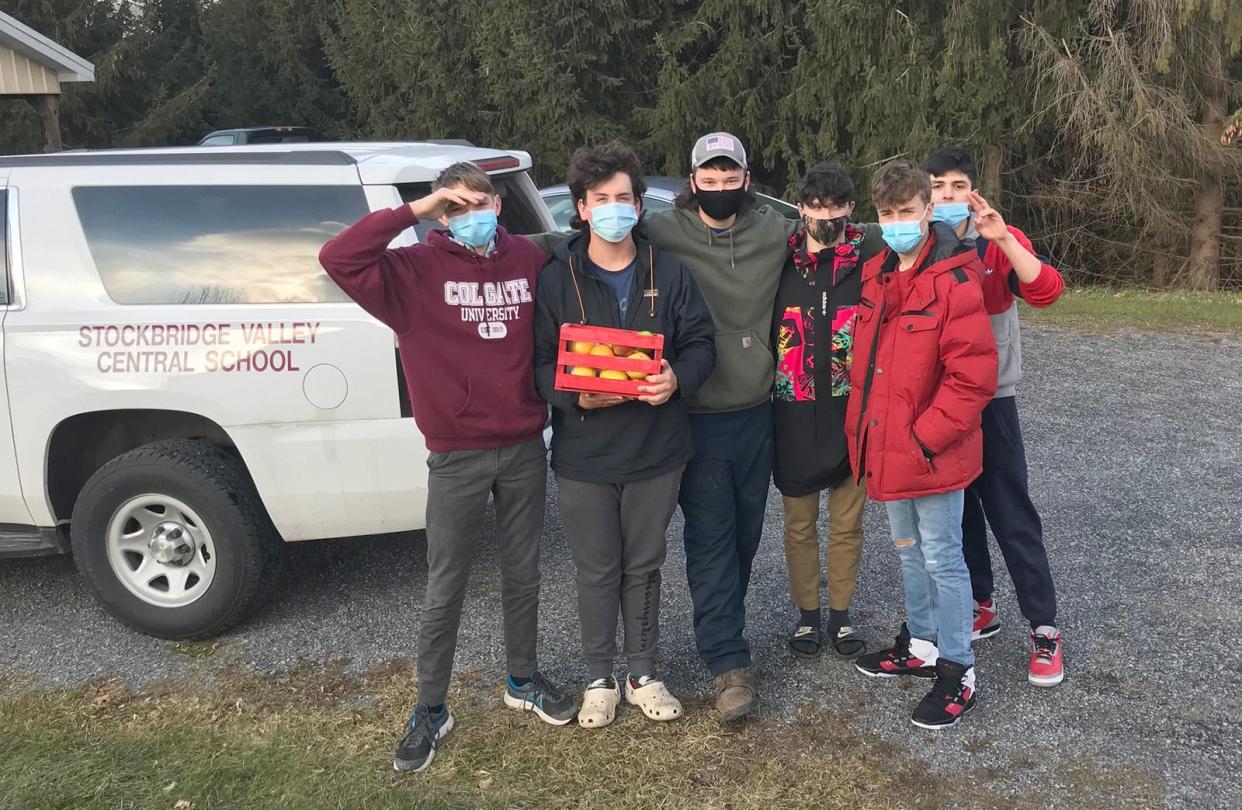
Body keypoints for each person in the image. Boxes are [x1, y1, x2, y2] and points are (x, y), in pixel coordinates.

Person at [319, 162, 577, 773]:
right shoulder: (411, 272)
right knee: (445, 585)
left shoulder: (529, 260)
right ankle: (431, 707)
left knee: (524, 573)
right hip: (456, 454)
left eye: (480, 202)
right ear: (440, 210)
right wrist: (414, 209)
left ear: (498, 204)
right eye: (456, 206)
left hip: (521, 445)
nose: (472, 215)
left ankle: (522, 678)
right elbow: (339, 257)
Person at [533, 141, 716, 728]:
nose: (613, 208)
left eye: (623, 198)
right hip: (585, 454)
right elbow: (538, 365)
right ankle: (598, 677)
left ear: (639, 206)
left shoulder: (671, 272)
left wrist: (677, 380)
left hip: (657, 451)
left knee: (643, 565)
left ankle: (643, 672)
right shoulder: (557, 278)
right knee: (595, 570)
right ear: (581, 209)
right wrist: (571, 394)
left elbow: (700, 346)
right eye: (600, 199)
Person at [643, 132, 794, 720]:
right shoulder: (662, 230)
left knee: (744, 539)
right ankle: (729, 666)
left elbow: (849, 234)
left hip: (756, 410)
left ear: (747, 180)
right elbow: (569, 244)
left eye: (732, 179)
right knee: (710, 538)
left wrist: (946, 225)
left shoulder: (772, 230)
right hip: (696, 415)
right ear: (693, 179)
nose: (722, 188)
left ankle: (723, 631)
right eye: (711, 179)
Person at [847, 159, 997, 729]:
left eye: (907, 212)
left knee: (943, 559)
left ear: (928, 211)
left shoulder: (955, 280)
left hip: (931, 452)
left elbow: (973, 377)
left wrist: (923, 439)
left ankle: (958, 669)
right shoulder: (877, 272)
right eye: (887, 214)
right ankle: (922, 643)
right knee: (909, 552)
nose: (897, 223)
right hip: (886, 448)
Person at [924, 147, 1067, 687]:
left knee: (1009, 512)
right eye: (937, 186)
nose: (947, 196)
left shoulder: (997, 239)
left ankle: (1045, 628)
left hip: (992, 401)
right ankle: (980, 604)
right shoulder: (919, 243)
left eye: (957, 185)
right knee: (957, 513)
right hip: (939, 402)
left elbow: (1046, 291)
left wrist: (1003, 237)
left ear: (974, 190)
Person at [773, 163, 885, 660]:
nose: (825, 215)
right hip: (793, 412)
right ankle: (806, 617)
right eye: (815, 206)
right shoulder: (779, 260)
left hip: (851, 412)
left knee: (847, 523)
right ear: (800, 208)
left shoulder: (872, 258)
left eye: (835, 206)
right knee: (799, 524)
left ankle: (840, 617)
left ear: (850, 209)